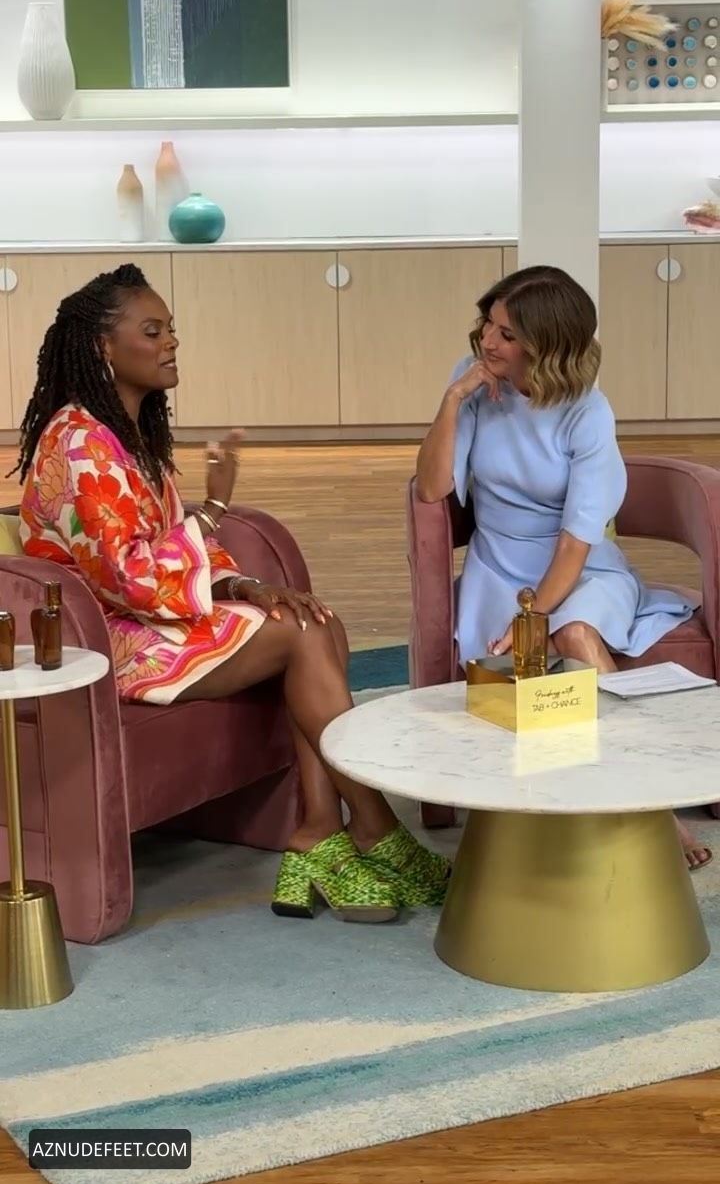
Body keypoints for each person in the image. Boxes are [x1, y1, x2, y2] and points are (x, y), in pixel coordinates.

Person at [14, 263, 450, 921]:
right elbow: (127, 577)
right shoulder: (78, 444)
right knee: (302, 638)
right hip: (100, 637)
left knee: (316, 622)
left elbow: (166, 544)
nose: (171, 342)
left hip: (152, 617)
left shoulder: (128, 434)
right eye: (152, 331)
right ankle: (372, 824)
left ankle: (318, 828)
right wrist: (214, 508)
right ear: (104, 346)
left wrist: (247, 583)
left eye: (171, 329)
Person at [416, 264, 713, 872]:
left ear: (545, 346)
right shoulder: (472, 380)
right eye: (487, 325)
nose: (487, 341)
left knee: (573, 634)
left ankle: (652, 804)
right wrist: (452, 401)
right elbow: (430, 488)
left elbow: (578, 542)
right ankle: (560, 795)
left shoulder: (587, 411)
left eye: (506, 334)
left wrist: (533, 619)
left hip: (578, 568)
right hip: (499, 566)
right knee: (532, 658)